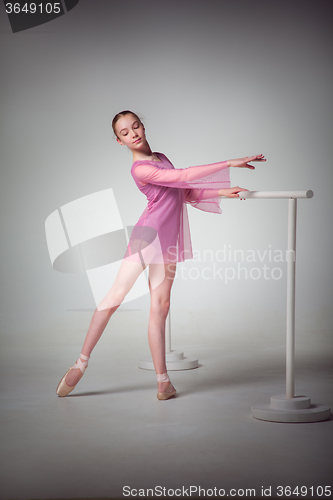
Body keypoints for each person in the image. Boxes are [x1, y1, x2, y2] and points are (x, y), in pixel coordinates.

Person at [56, 110, 266, 400]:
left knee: (161, 306)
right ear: (119, 141)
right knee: (114, 297)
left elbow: (185, 192)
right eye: (126, 132)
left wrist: (222, 192)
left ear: (143, 126)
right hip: (147, 237)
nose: (134, 133)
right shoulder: (139, 169)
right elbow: (184, 176)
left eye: (136, 126)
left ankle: (163, 382)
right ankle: (80, 363)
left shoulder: (161, 157)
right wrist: (230, 162)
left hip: (167, 241)